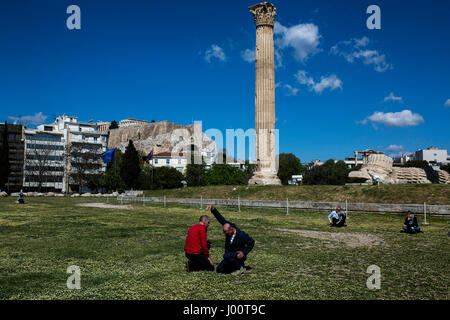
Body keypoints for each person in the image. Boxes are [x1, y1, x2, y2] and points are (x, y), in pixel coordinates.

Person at [205, 205, 255, 275]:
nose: (225, 233)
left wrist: (244, 252)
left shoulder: (241, 234)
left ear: (231, 229)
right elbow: (220, 218)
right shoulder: (228, 228)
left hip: (238, 255)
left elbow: (252, 242)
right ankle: (236, 267)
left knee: (226, 256)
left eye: (225, 232)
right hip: (230, 256)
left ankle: (240, 267)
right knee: (219, 269)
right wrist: (213, 209)